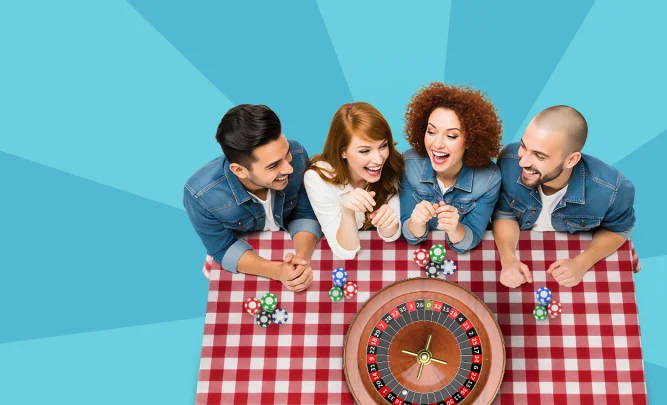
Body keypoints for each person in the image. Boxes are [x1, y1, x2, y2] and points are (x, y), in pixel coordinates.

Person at [493, 106, 637, 288]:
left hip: (573, 256)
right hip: (522, 248)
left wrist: (582, 263)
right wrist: (508, 259)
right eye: (524, 146)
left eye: (539, 155)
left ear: (571, 160)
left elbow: (619, 230)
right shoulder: (508, 160)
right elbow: (505, 213)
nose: (523, 161)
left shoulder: (613, 190)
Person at [183, 104, 322, 292]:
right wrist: (277, 271)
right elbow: (223, 248)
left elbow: (305, 213)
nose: (289, 168)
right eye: (273, 166)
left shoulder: (297, 155)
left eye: (286, 152)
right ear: (239, 170)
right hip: (245, 258)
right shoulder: (200, 196)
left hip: (292, 242)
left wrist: (301, 258)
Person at [399, 82, 502, 253]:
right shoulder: (410, 164)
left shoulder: (488, 178)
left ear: (469, 141)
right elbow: (410, 236)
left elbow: (472, 238)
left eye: (451, 136)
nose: (437, 144)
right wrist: (416, 222)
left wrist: (455, 229)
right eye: (431, 132)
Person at [304, 103, 403, 259]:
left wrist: (388, 222)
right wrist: (348, 213)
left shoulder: (392, 165)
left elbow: (390, 235)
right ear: (342, 151)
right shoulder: (318, 177)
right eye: (365, 151)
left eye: (383, 146)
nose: (378, 159)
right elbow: (345, 251)